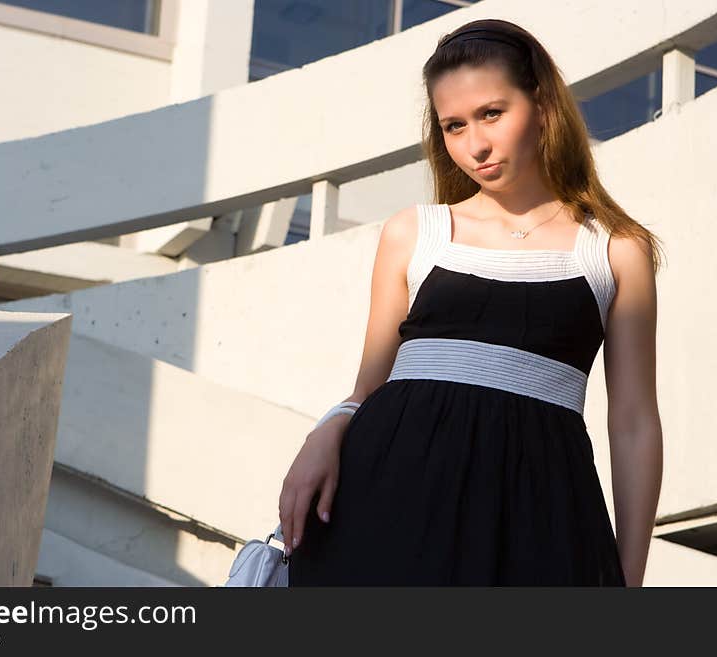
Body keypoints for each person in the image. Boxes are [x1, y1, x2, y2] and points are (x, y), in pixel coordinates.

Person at [278, 17, 664, 586]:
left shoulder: (614, 250)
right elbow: (367, 392)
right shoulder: (414, 232)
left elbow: (633, 423)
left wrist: (629, 579)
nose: (474, 144)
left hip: (542, 522)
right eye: (453, 126)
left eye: (491, 113)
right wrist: (325, 431)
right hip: (386, 508)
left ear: (541, 104)